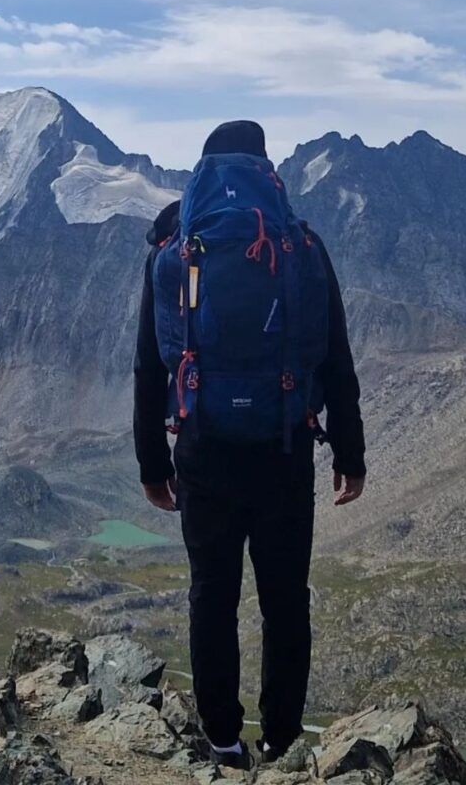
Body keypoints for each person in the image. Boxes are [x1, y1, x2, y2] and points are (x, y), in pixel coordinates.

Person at [133, 119, 366, 769]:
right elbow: (335, 358)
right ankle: (285, 740)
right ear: (267, 169)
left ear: (204, 170)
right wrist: (351, 456)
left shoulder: (174, 251)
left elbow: (149, 368)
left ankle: (224, 741)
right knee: (285, 598)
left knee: (213, 593)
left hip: (204, 454)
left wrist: (154, 464)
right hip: (283, 452)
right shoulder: (299, 246)